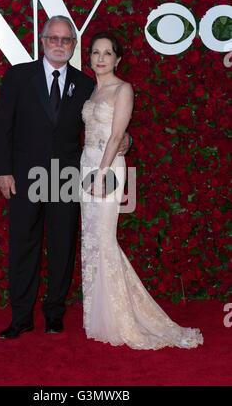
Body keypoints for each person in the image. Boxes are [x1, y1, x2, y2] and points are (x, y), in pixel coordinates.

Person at [0, 17, 131, 339]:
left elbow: (107, 121)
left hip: (68, 176)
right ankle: (22, 317)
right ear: (42, 41)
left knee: (62, 246)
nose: (59, 44)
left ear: (73, 45)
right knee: (23, 246)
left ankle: (54, 313)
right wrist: (3, 170)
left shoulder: (86, 84)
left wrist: (127, 140)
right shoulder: (18, 76)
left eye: (65, 40)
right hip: (25, 177)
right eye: (53, 38)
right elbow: (4, 128)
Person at [79, 31, 204, 349]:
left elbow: (117, 134)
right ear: (90, 57)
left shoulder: (123, 89)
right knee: (91, 240)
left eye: (108, 53)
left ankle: (123, 318)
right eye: (96, 52)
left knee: (104, 239)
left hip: (106, 168)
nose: (102, 58)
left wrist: (100, 174)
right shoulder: (91, 92)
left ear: (117, 59)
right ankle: (99, 318)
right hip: (86, 164)